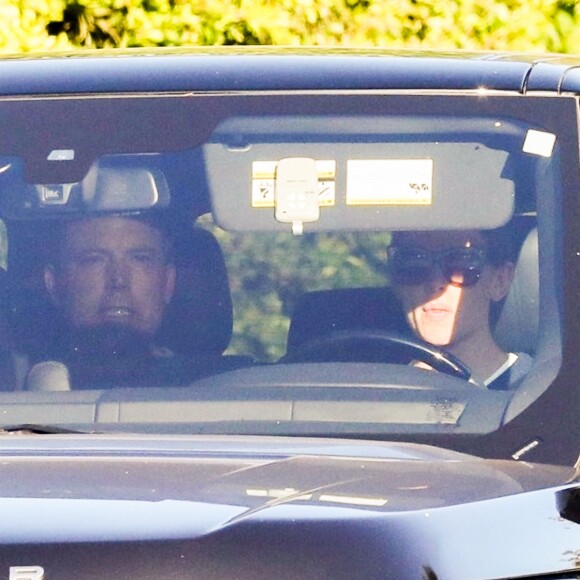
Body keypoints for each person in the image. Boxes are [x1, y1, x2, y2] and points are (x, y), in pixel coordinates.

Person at [37, 212, 239, 389]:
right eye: (94, 259)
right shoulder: (12, 393)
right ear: (54, 283)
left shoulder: (228, 393)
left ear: (167, 282)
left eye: (140, 259)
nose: (118, 280)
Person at [387, 227, 533, 389]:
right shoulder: (376, 390)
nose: (435, 283)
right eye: (414, 263)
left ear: (499, 281)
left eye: (461, 263)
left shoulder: (537, 390)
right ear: (396, 281)